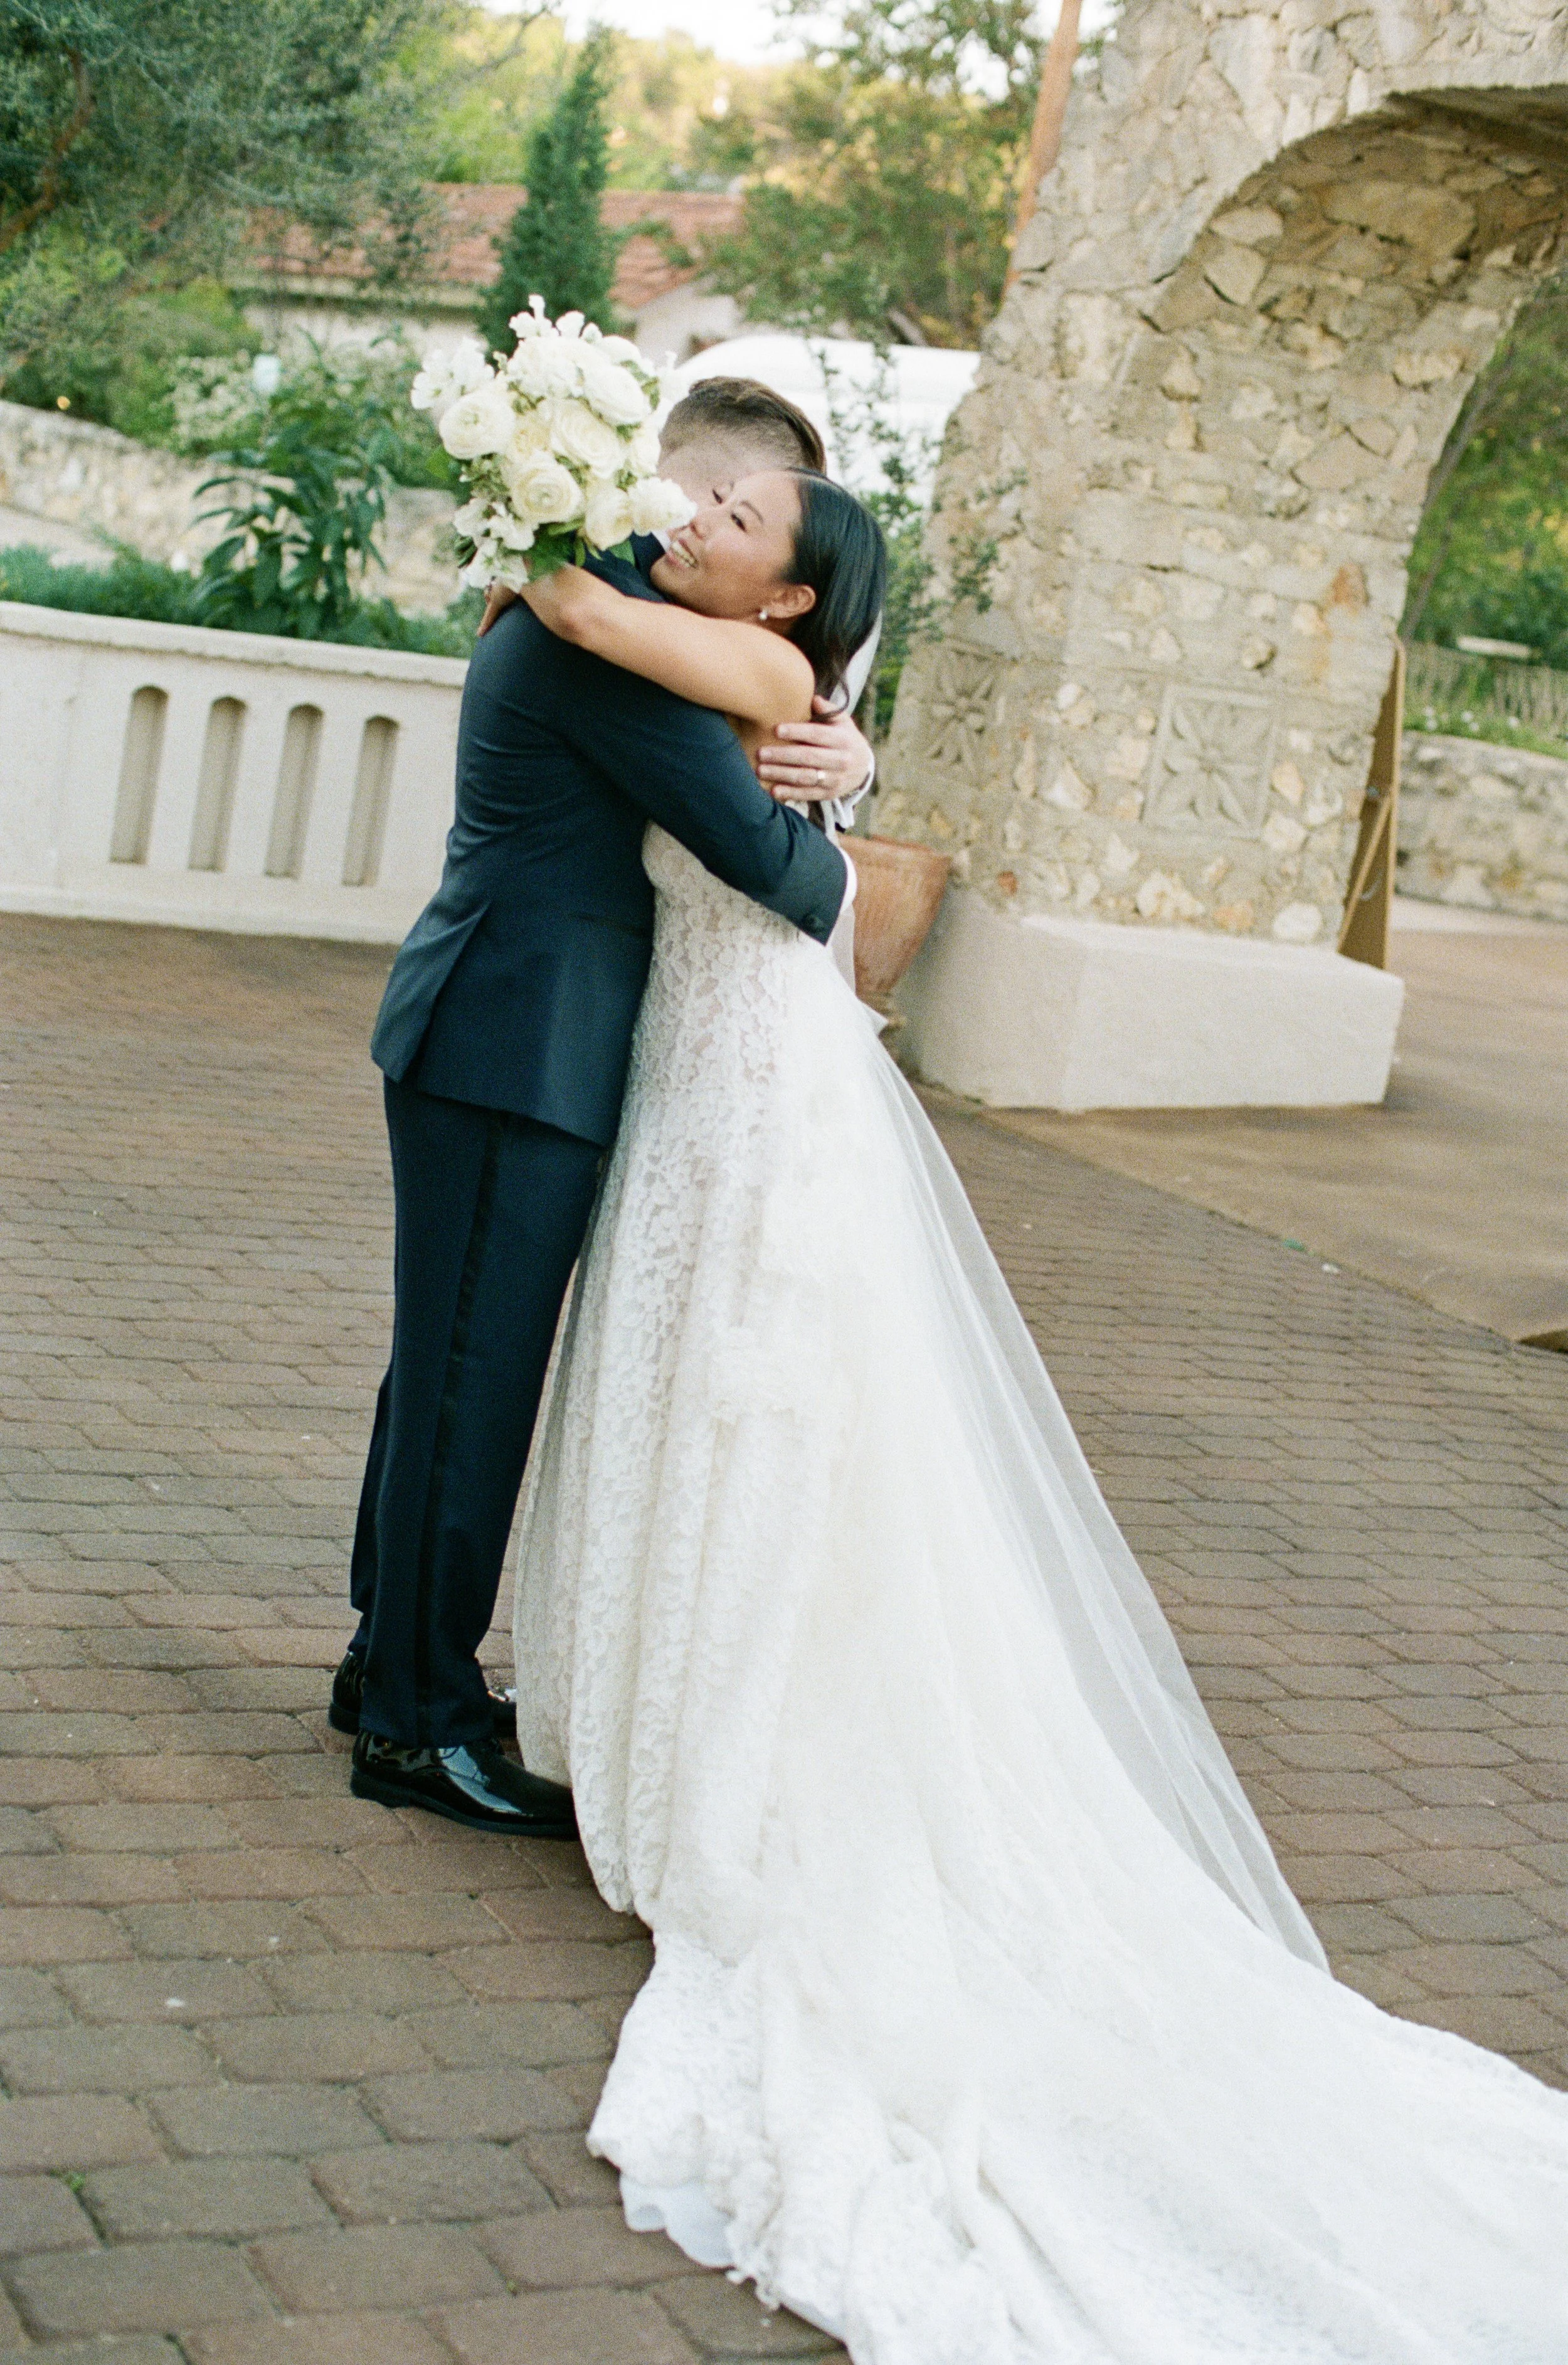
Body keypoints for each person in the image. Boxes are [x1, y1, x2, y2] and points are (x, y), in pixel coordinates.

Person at [509, 470, 1568, 2358]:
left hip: (759, 1075)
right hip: (719, 1051)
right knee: (722, 1393)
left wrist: (544, 494)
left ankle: (733, 1762)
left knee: (762, 1406)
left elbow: (573, 610)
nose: (707, 503)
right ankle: (671, 1710)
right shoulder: (766, 677)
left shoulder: (742, 670)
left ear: (796, 597)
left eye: (744, 504)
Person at [334, 447, 854, 1834]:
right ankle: (416, 1722)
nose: (693, 519)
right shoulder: (607, 648)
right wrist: (840, 856)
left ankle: (388, 1662)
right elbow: (763, 859)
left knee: (444, 1367)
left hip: (497, 1022)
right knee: (469, 1385)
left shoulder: (593, 605)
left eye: (729, 515)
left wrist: (842, 752)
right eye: (698, 496)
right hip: (519, 1039)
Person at [479, 375, 881, 827]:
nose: (704, 521)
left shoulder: (766, 662)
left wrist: (518, 542)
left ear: (791, 596)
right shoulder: (613, 576)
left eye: (741, 519)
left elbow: (584, 614)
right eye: (723, 500)